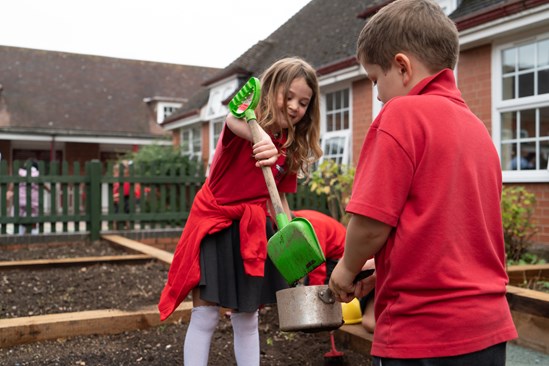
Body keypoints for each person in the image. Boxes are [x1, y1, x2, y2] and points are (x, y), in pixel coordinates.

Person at [328, 1, 518, 365]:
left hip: (422, 331)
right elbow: (447, 231)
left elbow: (370, 224)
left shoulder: (400, 114)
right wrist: (380, 271)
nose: (379, 95)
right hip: (488, 327)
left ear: (402, 67)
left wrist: (345, 271)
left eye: (374, 80)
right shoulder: (478, 130)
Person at [158, 57, 322, 366]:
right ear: (270, 90)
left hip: (252, 229)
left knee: (247, 318)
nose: (294, 106)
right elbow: (231, 119)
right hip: (214, 224)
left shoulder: (289, 147)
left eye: (303, 102)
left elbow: (281, 200)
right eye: (287, 96)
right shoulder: (242, 126)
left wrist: (290, 232)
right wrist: (258, 133)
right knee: (205, 313)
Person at [292, 209, 345, 286]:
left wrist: (316, 292)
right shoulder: (297, 218)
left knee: (331, 289)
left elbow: (317, 266)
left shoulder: (312, 229)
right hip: (329, 248)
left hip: (339, 252)